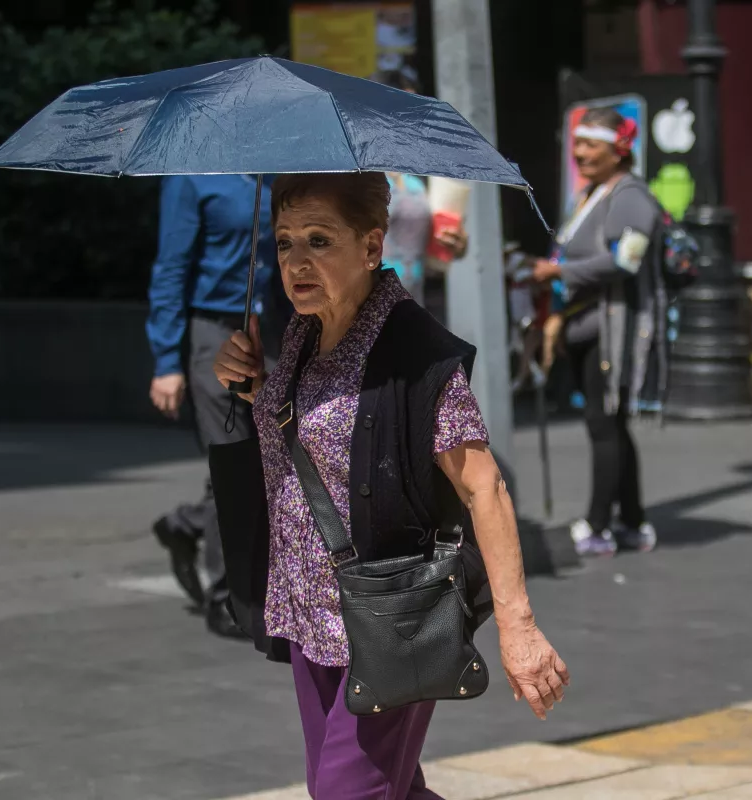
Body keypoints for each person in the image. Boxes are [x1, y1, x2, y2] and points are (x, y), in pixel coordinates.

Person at [211, 172, 568, 799]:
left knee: (344, 795)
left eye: (320, 241)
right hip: (307, 610)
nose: (296, 261)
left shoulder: (415, 350)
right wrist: (254, 386)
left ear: (372, 246)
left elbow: (484, 487)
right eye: (285, 240)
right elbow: (315, 441)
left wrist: (520, 629)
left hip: (386, 616)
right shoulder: (304, 332)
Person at [146, 174, 282, 639]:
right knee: (233, 463)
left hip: (277, 332)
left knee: (277, 462)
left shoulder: (281, 175)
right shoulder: (194, 177)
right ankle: (229, 600)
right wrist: (167, 360)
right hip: (215, 332)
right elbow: (170, 266)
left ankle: (184, 525)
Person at [530, 107, 662, 556]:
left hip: (615, 330)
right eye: (578, 145)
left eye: (590, 145)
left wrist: (559, 271)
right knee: (611, 424)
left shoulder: (630, 196)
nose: (580, 153)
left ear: (618, 150)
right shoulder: (591, 193)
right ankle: (634, 522)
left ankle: (600, 526)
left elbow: (627, 260)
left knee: (604, 424)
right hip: (589, 327)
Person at [370, 70, 469, 306]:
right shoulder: (358, 174)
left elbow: (431, 247)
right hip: (365, 310)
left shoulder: (417, 178)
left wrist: (457, 244)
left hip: (413, 307)